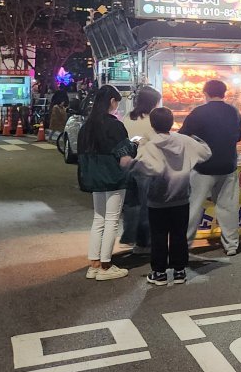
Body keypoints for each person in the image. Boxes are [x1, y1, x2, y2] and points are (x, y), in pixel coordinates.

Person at [124, 107, 211, 286]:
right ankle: (179, 271)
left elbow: (145, 168)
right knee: (179, 234)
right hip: (181, 197)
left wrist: (130, 164)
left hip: (157, 200)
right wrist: (195, 139)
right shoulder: (184, 140)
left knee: (158, 236)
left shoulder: (150, 145)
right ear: (171, 122)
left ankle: (159, 273)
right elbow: (206, 153)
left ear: (152, 125)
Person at [77, 85, 133, 281]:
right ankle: (106, 266)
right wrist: (134, 146)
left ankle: (94, 264)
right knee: (111, 220)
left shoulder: (86, 127)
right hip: (113, 178)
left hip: (94, 178)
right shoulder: (115, 125)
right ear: (112, 101)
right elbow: (124, 155)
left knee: (98, 219)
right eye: (117, 101)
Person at [182, 80, 241, 255]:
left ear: (205, 93)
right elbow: (239, 135)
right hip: (228, 166)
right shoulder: (233, 112)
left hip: (203, 167)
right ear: (224, 93)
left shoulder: (198, 112)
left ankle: (184, 245)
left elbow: (183, 136)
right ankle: (231, 245)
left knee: (193, 208)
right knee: (228, 207)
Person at [120, 86, 161, 255]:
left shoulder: (127, 117)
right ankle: (144, 243)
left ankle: (131, 238)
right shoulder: (152, 119)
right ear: (152, 102)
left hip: (128, 165)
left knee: (131, 204)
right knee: (147, 205)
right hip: (146, 166)